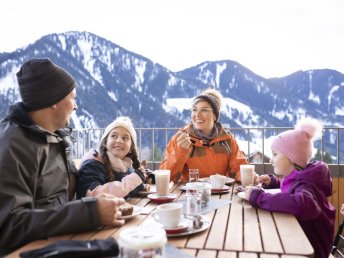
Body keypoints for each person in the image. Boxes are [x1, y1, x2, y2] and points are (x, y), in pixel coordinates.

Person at [0, 58, 125, 255]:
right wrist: (89, 212)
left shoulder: (55, 136)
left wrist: (91, 200)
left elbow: (57, 200)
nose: (75, 106)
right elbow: (9, 227)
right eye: (73, 98)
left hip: (59, 241)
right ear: (54, 101)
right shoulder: (13, 146)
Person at [245, 117, 335, 258]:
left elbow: (304, 204)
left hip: (311, 249)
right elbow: (293, 187)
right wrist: (274, 182)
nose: (270, 159)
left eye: (275, 154)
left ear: (292, 159)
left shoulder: (306, 185)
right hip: (299, 240)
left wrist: (260, 197)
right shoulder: (302, 177)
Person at [160, 88, 248, 182]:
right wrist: (180, 151)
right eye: (194, 110)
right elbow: (165, 177)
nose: (197, 115)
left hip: (221, 193)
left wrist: (256, 179)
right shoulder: (180, 139)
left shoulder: (227, 140)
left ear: (215, 115)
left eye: (204, 110)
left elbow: (239, 169)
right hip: (191, 194)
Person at [76, 116, 147, 199]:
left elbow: (127, 187)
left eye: (125, 138)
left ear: (131, 148)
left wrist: (142, 180)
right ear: (105, 142)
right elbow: (93, 195)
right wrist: (134, 179)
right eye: (114, 136)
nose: (119, 141)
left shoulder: (125, 165)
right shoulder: (92, 164)